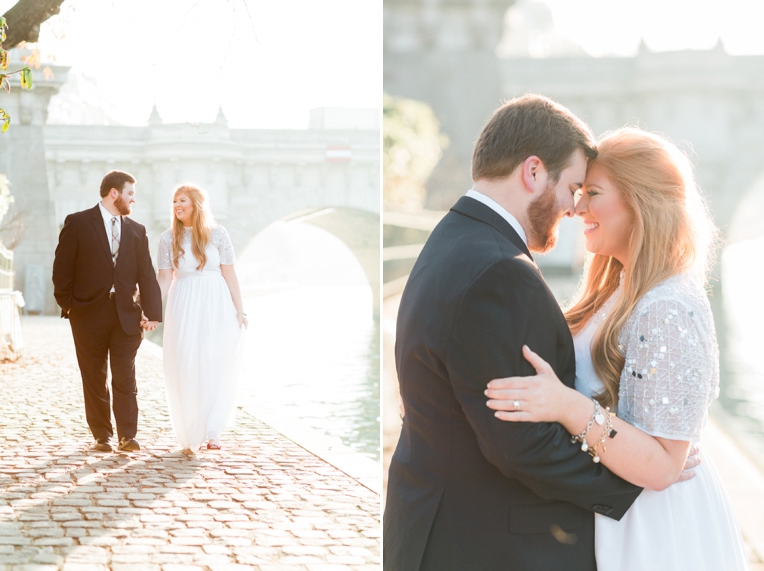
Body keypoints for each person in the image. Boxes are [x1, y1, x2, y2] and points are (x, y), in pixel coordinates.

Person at [384, 95, 649, 571]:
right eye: (572, 186)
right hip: (487, 543)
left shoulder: (452, 238)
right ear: (532, 172)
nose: (574, 207)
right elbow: (522, 445)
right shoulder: (501, 272)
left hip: (435, 524)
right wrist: (639, 481)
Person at [485, 127, 749, 570]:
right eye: (580, 191)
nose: (578, 207)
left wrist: (566, 406)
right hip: (618, 513)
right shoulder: (618, 290)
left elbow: (664, 467)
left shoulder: (668, 307)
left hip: (658, 531)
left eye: (593, 192)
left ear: (640, 201)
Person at [52, 170, 161, 453]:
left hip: (127, 316)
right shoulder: (77, 223)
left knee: (125, 375)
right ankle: (102, 435)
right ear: (114, 193)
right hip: (87, 315)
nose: (133, 199)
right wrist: (69, 306)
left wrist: (153, 312)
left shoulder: (137, 230)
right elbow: (62, 268)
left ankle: (128, 435)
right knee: (94, 376)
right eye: (130, 193)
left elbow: (146, 273)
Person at [157, 184, 247, 452]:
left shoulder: (218, 235)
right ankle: (190, 429)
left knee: (212, 360)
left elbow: (230, 274)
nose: (177, 206)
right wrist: (150, 310)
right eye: (174, 201)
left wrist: (239, 309)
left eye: (182, 200)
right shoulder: (167, 238)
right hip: (183, 301)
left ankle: (212, 430)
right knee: (185, 361)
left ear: (197, 204)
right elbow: (163, 278)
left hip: (215, 302)